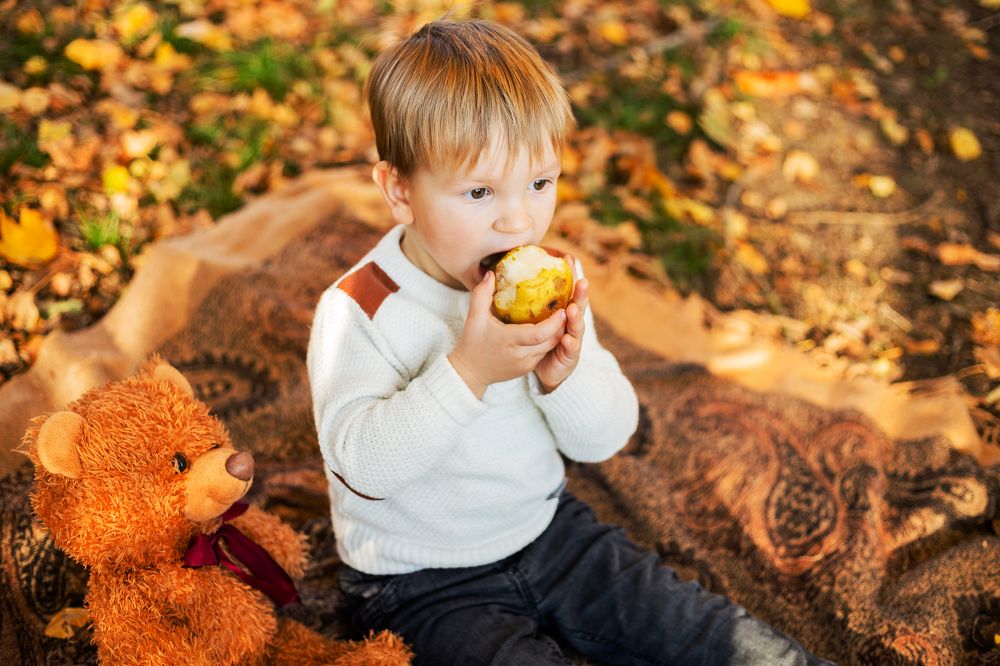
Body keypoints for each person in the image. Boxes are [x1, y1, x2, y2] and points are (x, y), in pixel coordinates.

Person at [306, 18, 832, 665]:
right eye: (479, 192)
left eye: (540, 183)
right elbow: (362, 471)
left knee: (726, 641)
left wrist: (566, 373)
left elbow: (605, 438)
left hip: (550, 533)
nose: (518, 218)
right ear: (399, 191)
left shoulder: (554, 274)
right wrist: (470, 370)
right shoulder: (361, 310)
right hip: (419, 580)